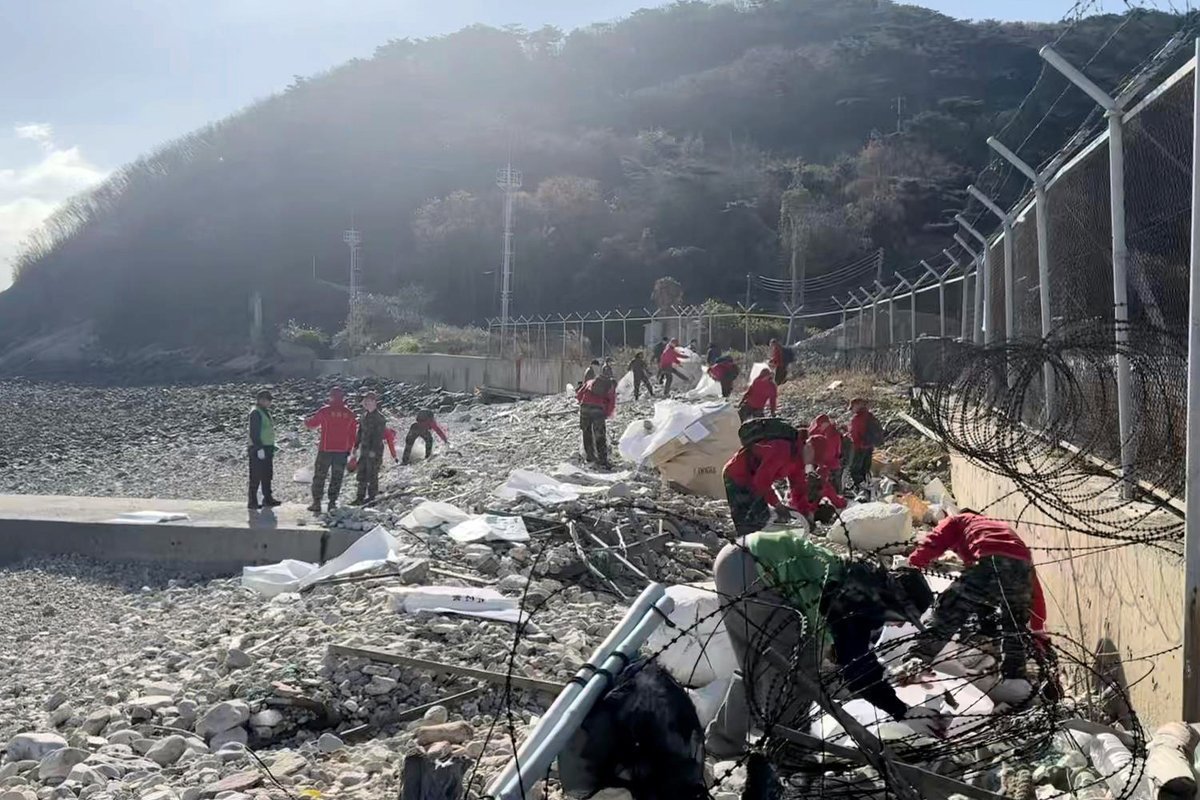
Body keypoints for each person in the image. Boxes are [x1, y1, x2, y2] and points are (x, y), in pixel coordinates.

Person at [705, 531, 938, 757]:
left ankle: (723, 744)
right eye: (904, 618)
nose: (900, 625)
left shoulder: (864, 582)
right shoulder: (860, 598)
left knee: (756, 666)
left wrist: (886, 677)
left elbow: (854, 656)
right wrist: (903, 711)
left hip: (737, 560)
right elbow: (856, 667)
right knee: (796, 674)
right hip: (757, 570)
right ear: (895, 603)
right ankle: (790, 754)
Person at [904, 510, 1047, 683]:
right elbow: (1035, 590)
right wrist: (1038, 629)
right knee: (1014, 629)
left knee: (949, 610)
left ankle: (917, 659)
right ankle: (1014, 680)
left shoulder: (959, 519)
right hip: (1021, 567)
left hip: (989, 561)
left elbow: (934, 542)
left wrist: (911, 566)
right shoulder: (1003, 532)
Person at [722, 418, 812, 535]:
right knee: (747, 523)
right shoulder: (782, 449)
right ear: (809, 447)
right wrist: (778, 505)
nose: (811, 463)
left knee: (762, 520)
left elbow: (798, 489)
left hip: (754, 480)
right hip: (737, 476)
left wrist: (805, 513)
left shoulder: (799, 460)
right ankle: (745, 543)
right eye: (814, 458)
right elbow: (761, 481)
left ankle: (758, 541)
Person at [305, 387, 358, 513]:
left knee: (320, 476)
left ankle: (316, 503)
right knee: (337, 477)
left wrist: (306, 422)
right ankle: (332, 503)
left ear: (331, 397)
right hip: (342, 451)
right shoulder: (349, 414)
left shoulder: (325, 411)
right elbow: (353, 435)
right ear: (343, 398)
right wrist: (351, 450)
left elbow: (312, 424)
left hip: (325, 449)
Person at [352, 391, 398, 505]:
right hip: (364, 449)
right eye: (365, 401)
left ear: (374, 402)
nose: (366, 403)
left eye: (369, 401)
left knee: (372, 474)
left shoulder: (380, 418)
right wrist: (356, 446)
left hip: (374, 451)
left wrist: (372, 452)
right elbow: (360, 432)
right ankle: (359, 497)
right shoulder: (364, 416)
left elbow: (378, 437)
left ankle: (372, 498)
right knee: (362, 473)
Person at [248, 389, 282, 510]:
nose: (270, 403)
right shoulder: (256, 413)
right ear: (261, 400)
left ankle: (267, 498)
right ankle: (252, 501)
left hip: (267, 448)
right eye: (268, 400)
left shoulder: (264, 412)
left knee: (267, 474)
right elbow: (254, 433)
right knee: (256, 475)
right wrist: (259, 448)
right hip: (258, 448)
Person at [577, 365, 617, 467]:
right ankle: (602, 460)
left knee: (586, 433)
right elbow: (611, 403)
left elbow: (579, 395)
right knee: (600, 435)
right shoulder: (610, 385)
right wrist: (606, 414)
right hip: (598, 409)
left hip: (584, 407)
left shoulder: (590, 382)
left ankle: (590, 457)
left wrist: (584, 402)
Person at [807, 414, 846, 508]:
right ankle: (837, 502)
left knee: (830, 486)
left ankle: (836, 502)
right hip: (830, 464)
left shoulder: (831, 434)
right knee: (830, 487)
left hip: (829, 464)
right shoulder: (830, 432)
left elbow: (831, 451)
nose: (819, 427)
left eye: (820, 425)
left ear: (825, 423)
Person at [847, 398, 884, 490]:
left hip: (859, 447)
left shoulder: (856, 419)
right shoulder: (870, 416)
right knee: (866, 467)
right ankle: (867, 484)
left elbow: (854, 435)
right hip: (869, 446)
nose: (851, 410)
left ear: (857, 406)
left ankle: (859, 487)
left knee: (856, 469)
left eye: (852, 407)